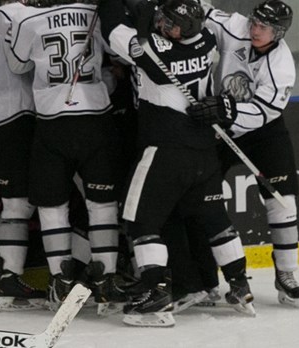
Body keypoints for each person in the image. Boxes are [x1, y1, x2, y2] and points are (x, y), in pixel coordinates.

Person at [100, 0, 255, 324]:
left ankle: (155, 296)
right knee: (215, 220)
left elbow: (113, 31)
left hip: (165, 149)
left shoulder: (155, 51)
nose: (162, 26)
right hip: (202, 150)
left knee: (140, 221)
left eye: (170, 25)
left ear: (183, 31)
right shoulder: (207, 38)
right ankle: (239, 284)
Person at [5, 0, 125, 314]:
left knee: (51, 206)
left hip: (52, 122)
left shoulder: (29, 19)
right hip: (95, 118)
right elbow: (119, 53)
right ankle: (107, 281)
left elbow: (17, 64)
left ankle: (60, 279)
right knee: (103, 205)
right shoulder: (96, 13)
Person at [187, 0, 299, 308]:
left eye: (263, 27)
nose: (254, 30)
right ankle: (206, 279)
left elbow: (264, 112)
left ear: (278, 33)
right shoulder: (237, 26)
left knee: (284, 203)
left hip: (264, 131)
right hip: (222, 129)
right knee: (203, 197)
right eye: (254, 23)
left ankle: (286, 274)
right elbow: (203, 11)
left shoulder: (281, 65)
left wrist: (225, 110)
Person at [0, 0, 47, 311]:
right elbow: (25, 62)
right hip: (11, 118)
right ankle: (10, 282)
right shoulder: (17, 14)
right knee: (19, 203)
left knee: (13, 202)